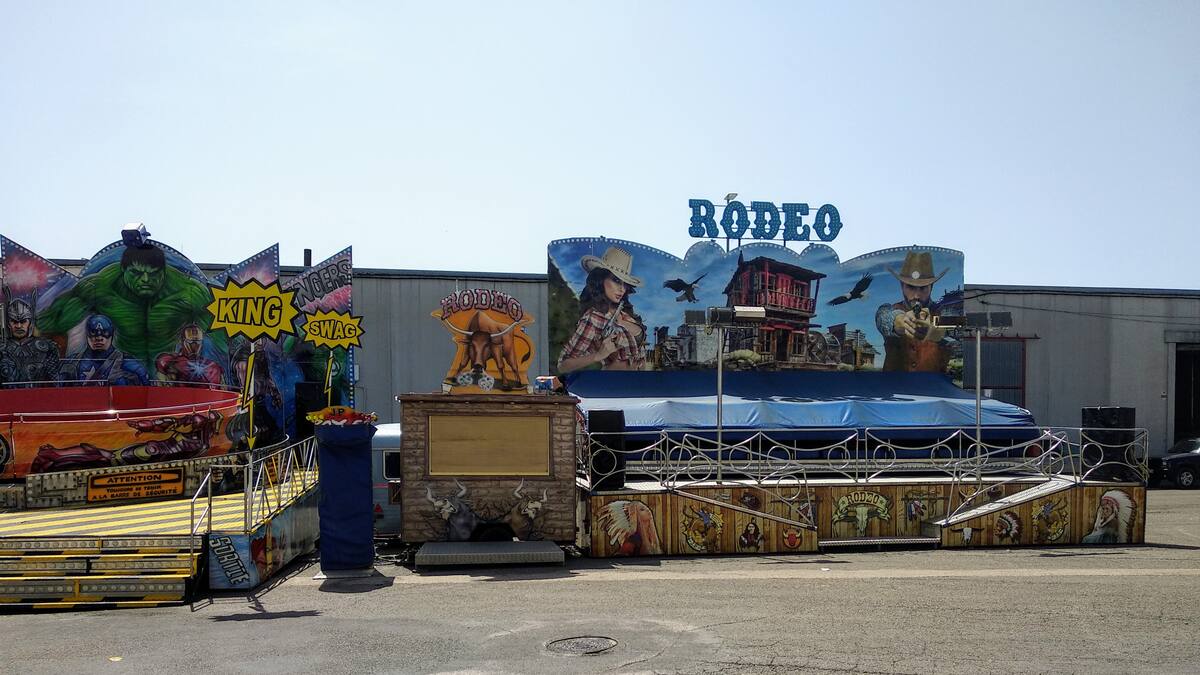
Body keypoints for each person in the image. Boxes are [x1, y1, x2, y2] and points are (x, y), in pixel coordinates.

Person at [38, 243, 220, 365]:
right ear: (124, 270)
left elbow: (222, 338)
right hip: (119, 376)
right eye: (137, 274)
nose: (146, 280)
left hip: (172, 376)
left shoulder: (189, 291)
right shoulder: (100, 287)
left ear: (164, 273)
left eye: (154, 273)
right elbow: (49, 325)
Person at [557, 246, 647, 372]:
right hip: (611, 386)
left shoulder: (624, 314)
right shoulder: (593, 318)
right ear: (600, 280)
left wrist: (623, 322)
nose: (622, 289)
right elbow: (563, 365)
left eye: (624, 284)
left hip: (638, 385)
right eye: (616, 280)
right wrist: (598, 355)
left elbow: (640, 340)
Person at [874, 251, 950, 372]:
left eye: (923, 288)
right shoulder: (890, 309)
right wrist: (898, 321)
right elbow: (882, 317)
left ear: (932, 286)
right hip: (894, 387)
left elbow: (952, 327)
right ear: (902, 286)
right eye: (910, 287)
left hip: (932, 388)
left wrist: (936, 331)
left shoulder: (943, 311)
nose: (916, 295)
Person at [60, 314, 149, 385]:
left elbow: (145, 390)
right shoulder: (71, 363)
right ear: (87, 334)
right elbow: (59, 393)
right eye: (93, 333)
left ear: (111, 334)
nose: (99, 338)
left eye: (104, 333)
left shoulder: (128, 364)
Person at [0, 298, 61, 385]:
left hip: (38, 396)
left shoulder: (48, 348)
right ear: (9, 323)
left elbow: (54, 382)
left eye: (23, 321)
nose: (19, 326)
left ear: (30, 322)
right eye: (14, 321)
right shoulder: (2, 348)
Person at [155, 323, 224, 384]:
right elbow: (161, 386)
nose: (194, 345)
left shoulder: (213, 367)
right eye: (190, 341)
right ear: (182, 341)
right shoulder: (167, 361)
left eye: (198, 341)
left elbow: (222, 390)